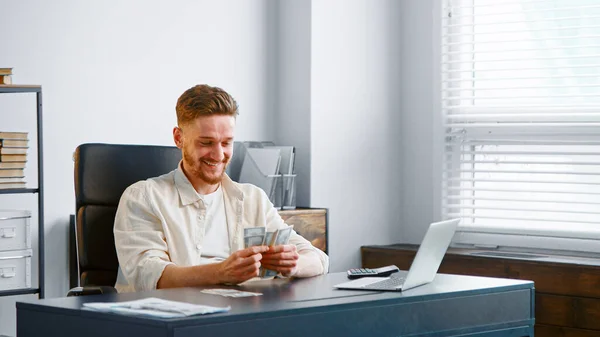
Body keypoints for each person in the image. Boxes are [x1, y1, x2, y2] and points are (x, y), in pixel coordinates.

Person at [113, 84, 329, 292]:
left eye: (226, 143)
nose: (218, 155)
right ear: (179, 138)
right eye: (206, 143)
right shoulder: (143, 196)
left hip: (241, 319)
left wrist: (293, 265)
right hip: (171, 322)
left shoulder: (253, 198)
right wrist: (221, 272)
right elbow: (148, 276)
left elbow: (319, 259)